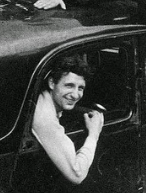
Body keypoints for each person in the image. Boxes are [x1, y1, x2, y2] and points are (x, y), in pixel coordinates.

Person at [32, 54, 103, 184]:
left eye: (80, 88)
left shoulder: (44, 98)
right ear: (52, 83)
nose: (76, 95)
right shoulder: (45, 117)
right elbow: (77, 175)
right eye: (69, 86)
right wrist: (93, 135)